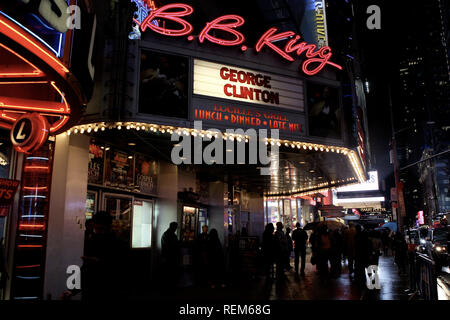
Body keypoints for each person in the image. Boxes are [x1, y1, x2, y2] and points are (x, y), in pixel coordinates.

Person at [81, 211, 127, 300]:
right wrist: (72, 290)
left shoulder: (119, 244)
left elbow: (121, 269)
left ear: (109, 227)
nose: (97, 231)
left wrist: (100, 262)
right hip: (91, 290)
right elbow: (84, 270)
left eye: (101, 229)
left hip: (109, 291)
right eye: (95, 228)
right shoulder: (90, 241)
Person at [161, 222, 181, 288]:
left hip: (168, 257)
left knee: (169, 273)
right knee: (170, 273)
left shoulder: (166, 234)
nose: (175, 229)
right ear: (173, 227)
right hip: (170, 257)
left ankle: (169, 287)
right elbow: (172, 246)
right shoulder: (170, 235)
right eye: (175, 227)